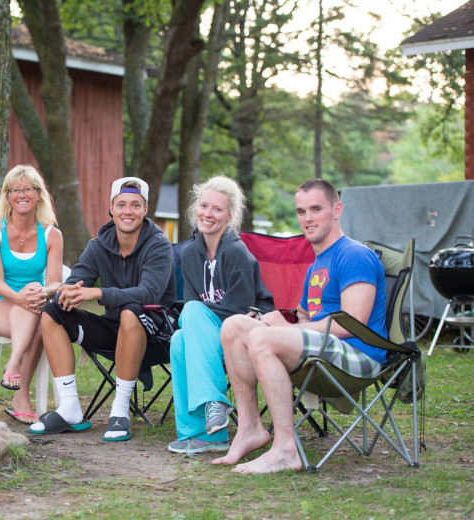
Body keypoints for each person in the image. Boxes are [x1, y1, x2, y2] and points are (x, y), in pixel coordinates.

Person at [212, 178, 387, 474]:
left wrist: (284, 332)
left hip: (359, 356)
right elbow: (307, 318)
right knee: (234, 326)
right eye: (301, 211)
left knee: (261, 340)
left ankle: (285, 450)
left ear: (337, 209)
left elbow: (352, 324)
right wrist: (282, 320)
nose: (307, 218)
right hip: (325, 350)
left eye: (316, 209)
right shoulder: (316, 265)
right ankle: (251, 427)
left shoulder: (354, 255)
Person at [29, 177, 177, 441]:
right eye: (121, 205)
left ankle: (119, 413)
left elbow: (149, 293)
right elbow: (78, 278)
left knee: (131, 311)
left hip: (155, 333)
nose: (127, 211)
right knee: (53, 313)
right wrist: (68, 292)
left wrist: (97, 292)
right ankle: (70, 409)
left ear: (145, 209)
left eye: (135, 205)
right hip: (113, 329)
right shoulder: (98, 245)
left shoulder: (159, 245)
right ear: (111, 208)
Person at [166, 176, 274, 455]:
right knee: (178, 340)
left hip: (246, 332)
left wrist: (200, 316)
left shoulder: (237, 252)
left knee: (191, 314)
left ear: (229, 216)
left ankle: (215, 401)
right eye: (204, 206)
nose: (208, 214)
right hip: (210, 333)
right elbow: (192, 306)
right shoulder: (189, 253)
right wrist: (199, 318)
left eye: (217, 209)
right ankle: (203, 435)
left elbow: (239, 311)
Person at [0, 164, 64, 424]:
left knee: (37, 299)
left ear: (38, 194)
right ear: (7, 196)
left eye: (28, 189)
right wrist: (22, 297)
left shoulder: (52, 234)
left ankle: (14, 372)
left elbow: (55, 281)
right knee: (36, 314)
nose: (21, 194)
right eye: (15, 190)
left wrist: (43, 291)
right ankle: (20, 393)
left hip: (30, 306)